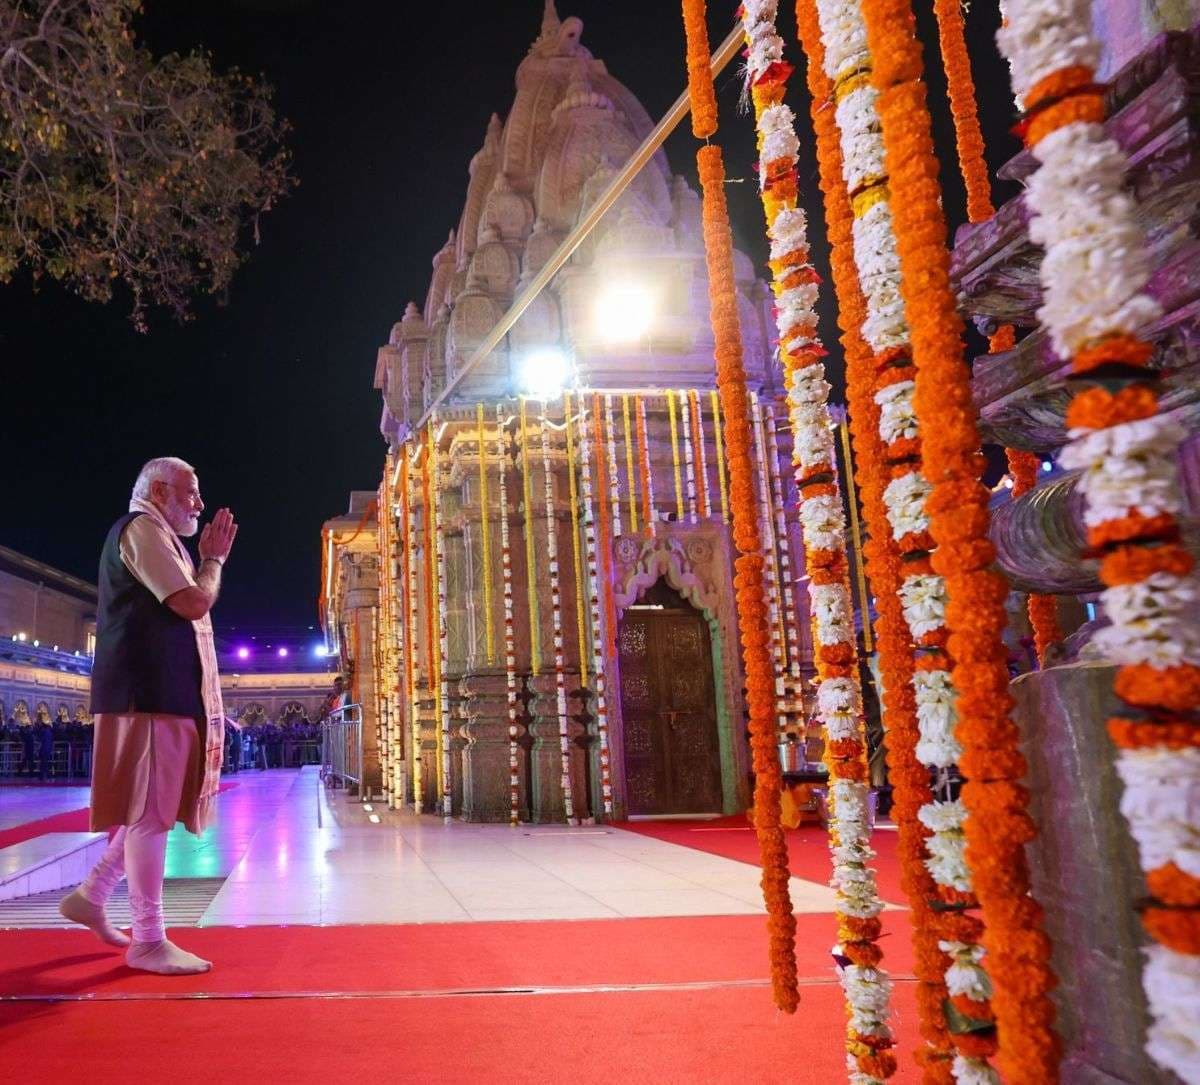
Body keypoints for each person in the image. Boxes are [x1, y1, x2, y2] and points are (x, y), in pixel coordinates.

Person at [58, 457, 237, 976]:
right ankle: (149, 938)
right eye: (191, 494)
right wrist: (215, 560)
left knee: (150, 810)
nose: (199, 505)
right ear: (159, 491)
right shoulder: (141, 529)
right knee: (151, 816)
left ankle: (92, 896)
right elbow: (193, 602)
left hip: (163, 696)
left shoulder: (161, 535)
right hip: (147, 696)